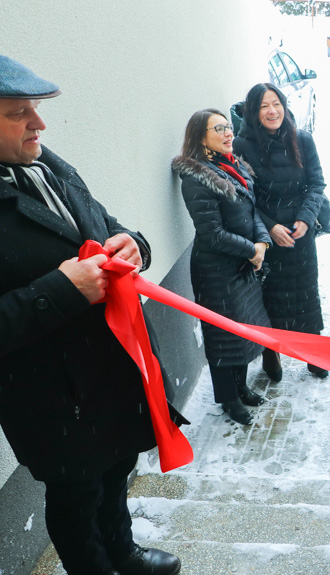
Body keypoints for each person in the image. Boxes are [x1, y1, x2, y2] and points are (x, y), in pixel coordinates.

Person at [0, 55, 181, 575]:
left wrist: (135, 245)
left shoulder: (45, 163)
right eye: (19, 113)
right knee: (77, 496)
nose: (40, 124)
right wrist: (61, 289)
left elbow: (100, 224)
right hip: (51, 395)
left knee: (117, 467)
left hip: (110, 369)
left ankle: (122, 553)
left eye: (35, 108)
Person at [172, 108, 272, 425]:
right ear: (201, 137)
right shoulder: (196, 177)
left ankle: (240, 387)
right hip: (216, 271)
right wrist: (251, 251)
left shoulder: (230, 167)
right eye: (220, 128)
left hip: (242, 263)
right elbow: (212, 234)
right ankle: (228, 400)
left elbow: (251, 210)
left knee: (242, 333)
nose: (229, 133)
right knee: (223, 340)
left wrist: (262, 243)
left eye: (228, 126)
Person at [232, 83, 328, 381]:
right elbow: (244, 196)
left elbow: (316, 184)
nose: (272, 111)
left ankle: (313, 354)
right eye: (263, 106)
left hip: (300, 234)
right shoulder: (241, 146)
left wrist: (306, 218)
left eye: (276, 104)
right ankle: (270, 353)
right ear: (252, 112)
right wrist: (269, 227)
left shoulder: (303, 139)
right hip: (265, 235)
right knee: (270, 296)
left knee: (306, 295)